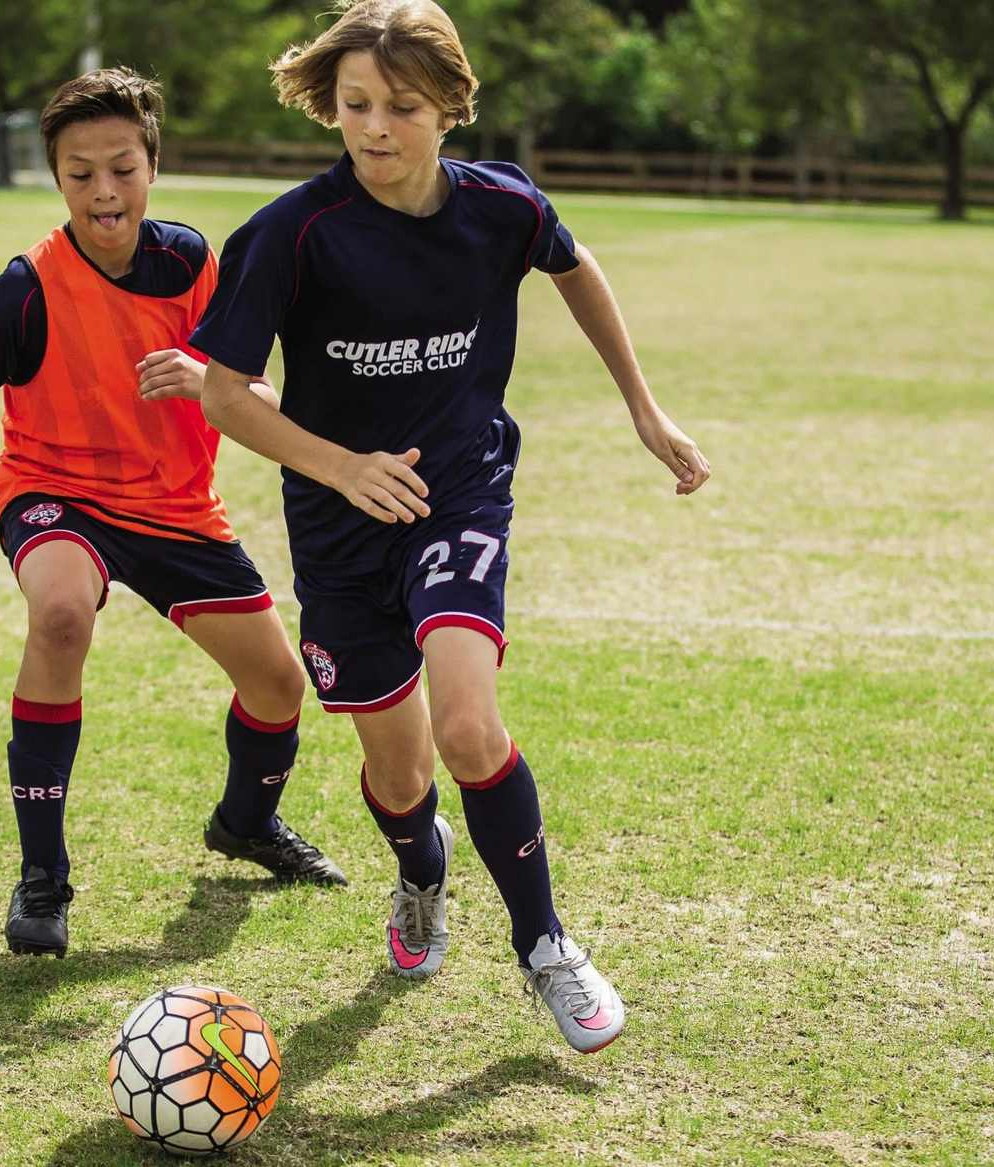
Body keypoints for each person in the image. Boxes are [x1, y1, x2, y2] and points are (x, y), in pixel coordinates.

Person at [191, 0, 710, 1052]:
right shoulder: (293, 231)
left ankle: (546, 947)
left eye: (401, 107)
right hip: (339, 528)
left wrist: (642, 409)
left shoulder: (502, 208)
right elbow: (223, 394)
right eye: (355, 106)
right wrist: (342, 468)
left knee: (468, 725)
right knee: (399, 771)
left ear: (451, 108)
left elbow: (573, 264)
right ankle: (420, 872)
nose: (375, 128)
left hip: (459, 494)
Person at [0, 67, 347, 960]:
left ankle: (245, 823)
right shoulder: (27, 287)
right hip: (56, 494)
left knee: (278, 686)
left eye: (121, 167)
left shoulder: (193, 262)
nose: (103, 191)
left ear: (152, 165)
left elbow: (254, 390)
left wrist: (210, 382)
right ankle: (43, 878)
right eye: (80, 174)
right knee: (60, 612)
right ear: (56, 179)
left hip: (176, 506)